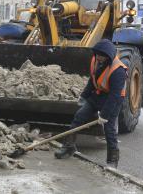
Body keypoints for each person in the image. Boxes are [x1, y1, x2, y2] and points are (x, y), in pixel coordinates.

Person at [54, 39, 127, 168]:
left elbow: (114, 95)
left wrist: (104, 115)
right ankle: (69, 147)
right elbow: (92, 79)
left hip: (113, 99)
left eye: (101, 56)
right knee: (79, 117)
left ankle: (112, 161)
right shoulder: (96, 60)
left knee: (109, 129)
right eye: (97, 54)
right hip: (98, 95)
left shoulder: (118, 70)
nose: (98, 58)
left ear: (108, 56)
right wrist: (84, 95)